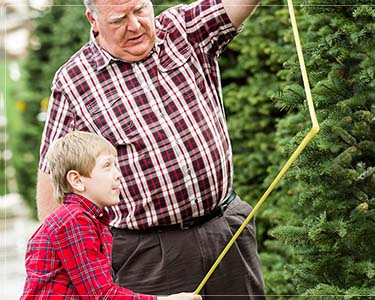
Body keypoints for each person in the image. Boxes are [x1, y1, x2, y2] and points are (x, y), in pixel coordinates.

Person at [37, 0, 265, 299]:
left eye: (141, 10)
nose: (135, 25)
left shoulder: (182, 29)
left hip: (225, 228)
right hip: (146, 252)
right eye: (119, 20)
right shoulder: (74, 81)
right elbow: (53, 185)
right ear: (93, 20)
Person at [21, 131, 201, 300]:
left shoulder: (88, 220)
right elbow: (102, 295)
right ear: (77, 180)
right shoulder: (74, 221)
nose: (118, 175)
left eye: (116, 165)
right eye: (107, 166)